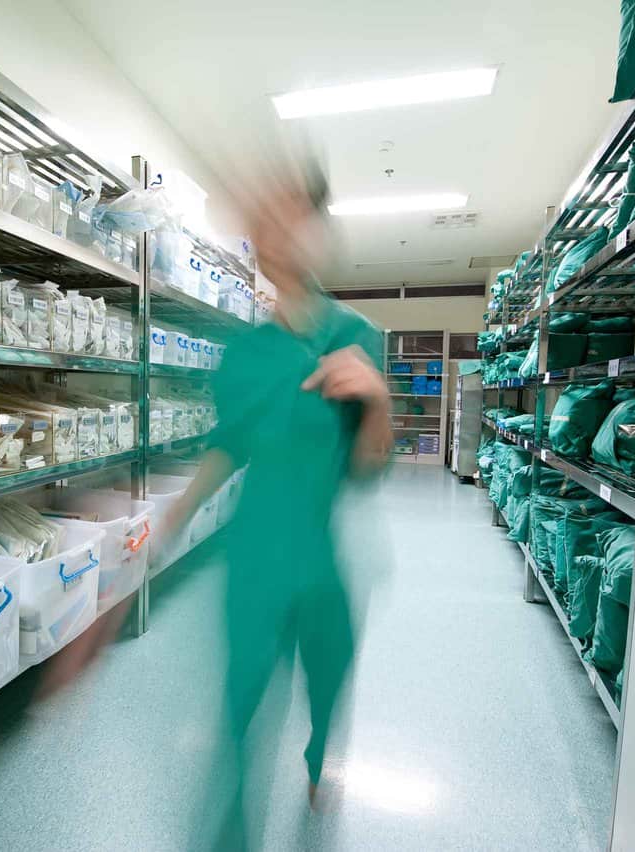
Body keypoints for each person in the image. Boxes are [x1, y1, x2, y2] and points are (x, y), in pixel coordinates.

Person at [165, 167, 394, 848]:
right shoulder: (244, 353)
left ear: (319, 230)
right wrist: (168, 521)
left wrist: (377, 401)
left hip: (325, 558)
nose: (272, 229)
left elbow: (368, 472)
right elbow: (228, 446)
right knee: (239, 710)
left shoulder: (358, 335)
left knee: (326, 682)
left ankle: (320, 759)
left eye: (289, 213)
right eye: (261, 216)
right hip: (255, 559)